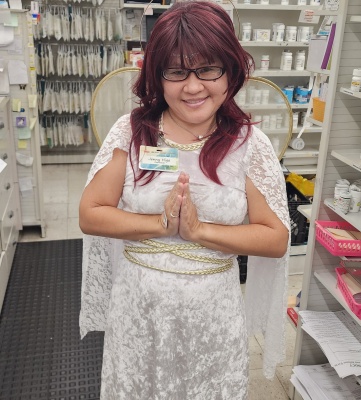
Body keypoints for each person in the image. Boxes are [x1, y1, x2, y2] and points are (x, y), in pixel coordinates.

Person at [79, 1, 290, 398]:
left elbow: (275, 238)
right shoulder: (131, 132)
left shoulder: (250, 144)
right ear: (157, 77)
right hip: (138, 315)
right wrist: (159, 224)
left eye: (208, 69)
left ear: (231, 70)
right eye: (176, 72)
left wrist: (198, 230)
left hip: (212, 320)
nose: (193, 87)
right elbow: (91, 213)